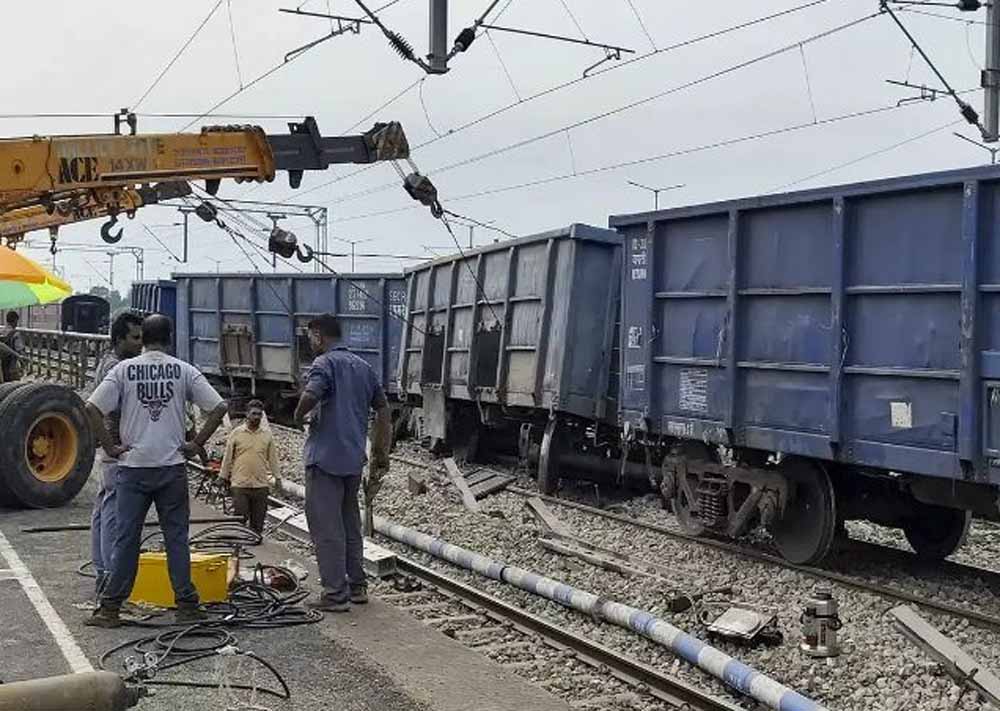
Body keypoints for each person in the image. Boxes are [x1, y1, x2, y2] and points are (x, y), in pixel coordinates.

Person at [84, 314, 228, 628]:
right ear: (169, 338)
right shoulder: (183, 370)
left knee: (126, 540)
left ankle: (110, 608)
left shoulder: (124, 370)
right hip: (171, 468)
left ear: (144, 339)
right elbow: (219, 407)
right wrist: (196, 444)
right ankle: (186, 605)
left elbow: (92, 408)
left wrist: (110, 447)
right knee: (176, 538)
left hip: (133, 469)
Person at [294, 314, 391, 612]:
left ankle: (335, 594)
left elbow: (312, 394)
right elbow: (383, 409)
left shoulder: (324, 363)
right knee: (350, 524)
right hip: (352, 460)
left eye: (310, 337)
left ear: (319, 336)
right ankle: (357, 586)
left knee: (326, 527)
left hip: (324, 459)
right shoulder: (363, 367)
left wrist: (297, 415)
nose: (310, 343)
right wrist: (380, 452)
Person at [89, 311, 143, 597]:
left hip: (109, 446)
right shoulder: (117, 368)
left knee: (102, 508)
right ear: (119, 338)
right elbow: (110, 407)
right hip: (116, 446)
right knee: (113, 510)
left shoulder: (107, 361)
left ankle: (102, 570)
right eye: (134, 338)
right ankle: (110, 574)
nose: (140, 343)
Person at [219, 399, 282, 535]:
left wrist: (278, 478)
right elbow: (227, 457)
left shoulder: (267, 435)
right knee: (240, 520)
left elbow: (273, 458)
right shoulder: (236, 433)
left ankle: (255, 544)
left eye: (259, 414)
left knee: (257, 524)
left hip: (260, 485)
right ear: (247, 414)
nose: (257, 417)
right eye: (254, 414)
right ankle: (239, 543)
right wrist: (222, 477)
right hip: (240, 484)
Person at [0, 311, 23, 382]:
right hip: (12, 365)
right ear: (15, 320)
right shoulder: (15, 333)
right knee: (14, 386)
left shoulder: (2, 331)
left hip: (2, 364)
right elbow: (19, 349)